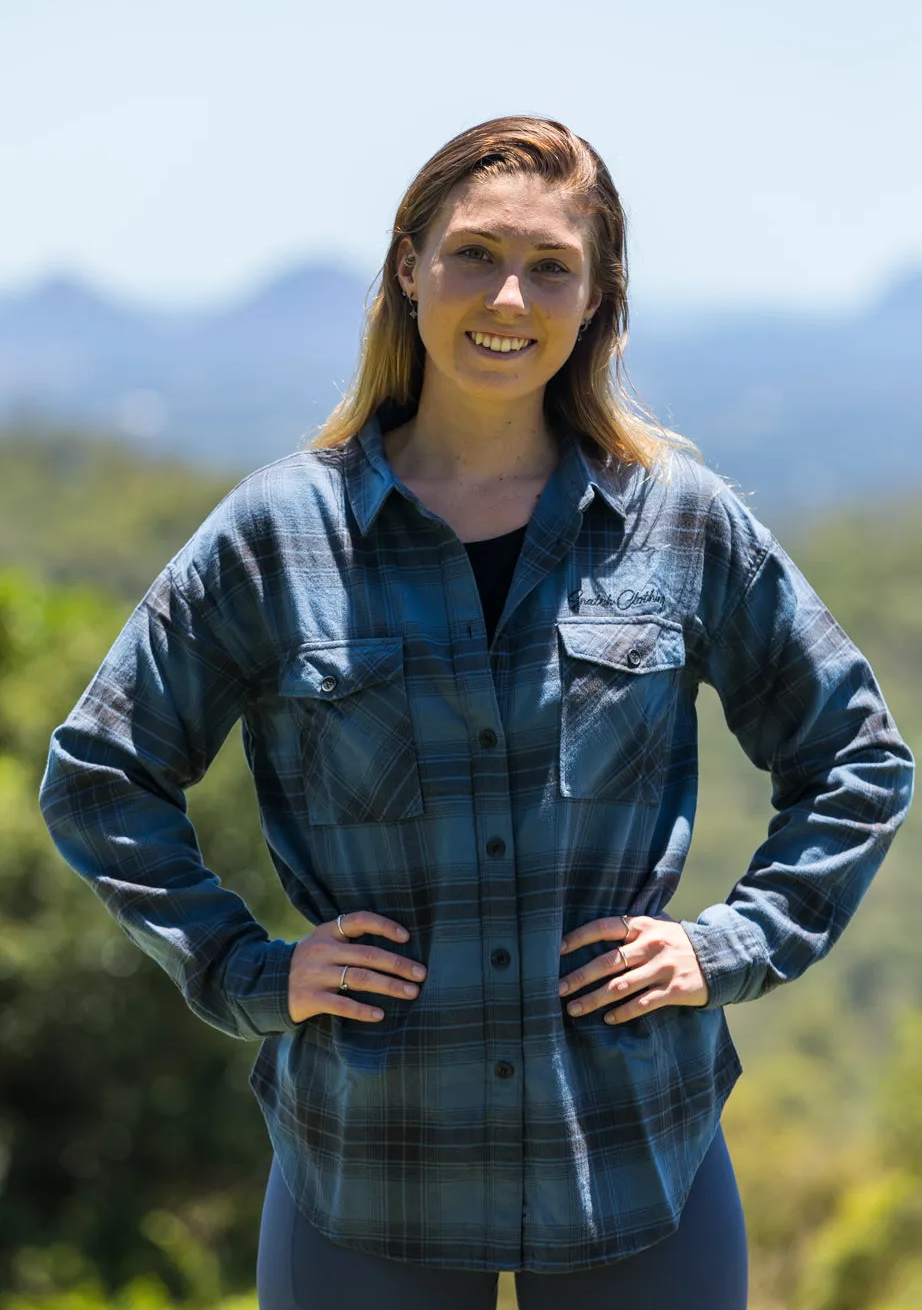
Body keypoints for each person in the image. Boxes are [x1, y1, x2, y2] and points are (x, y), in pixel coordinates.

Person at [39, 116, 914, 1310]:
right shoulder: (278, 535)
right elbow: (100, 773)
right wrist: (247, 969)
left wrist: (727, 945)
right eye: (473, 254)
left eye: (551, 265)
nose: (509, 295)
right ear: (408, 269)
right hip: (369, 1169)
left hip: (635, 1159)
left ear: (598, 294)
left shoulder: (683, 524)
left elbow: (856, 759)